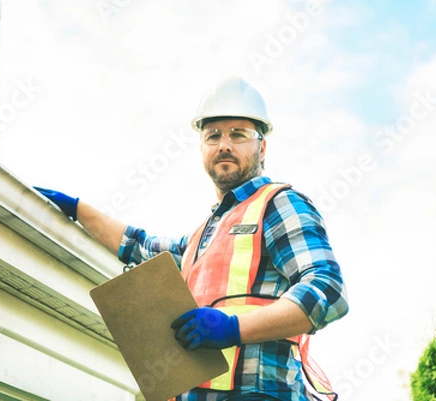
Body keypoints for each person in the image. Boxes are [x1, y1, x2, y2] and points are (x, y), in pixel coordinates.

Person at [35, 76, 349, 401]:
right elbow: (138, 245)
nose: (224, 144)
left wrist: (233, 329)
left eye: (238, 134)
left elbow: (328, 290)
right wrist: (77, 209)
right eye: (213, 135)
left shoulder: (278, 204)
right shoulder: (201, 237)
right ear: (202, 148)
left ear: (262, 147)